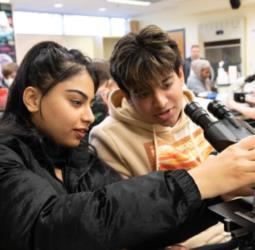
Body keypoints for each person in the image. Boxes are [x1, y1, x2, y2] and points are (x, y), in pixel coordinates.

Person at [1, 41, 255, 250]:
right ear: (33, 99)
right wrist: (198, 181)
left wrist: (217, 195)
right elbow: (52, 226)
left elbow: (134, 225)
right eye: (76, 102)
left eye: (90, 104)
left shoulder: (79, 161)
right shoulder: (6, 156)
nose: (89, 116)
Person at [88, 25, 248, 248]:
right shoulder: (108, 137)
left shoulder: (206, 110)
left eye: (166, 84)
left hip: (237, 231)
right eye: (143, 93)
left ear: (181, 74)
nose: (161, 102)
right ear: (127, 94)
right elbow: (120, 222)